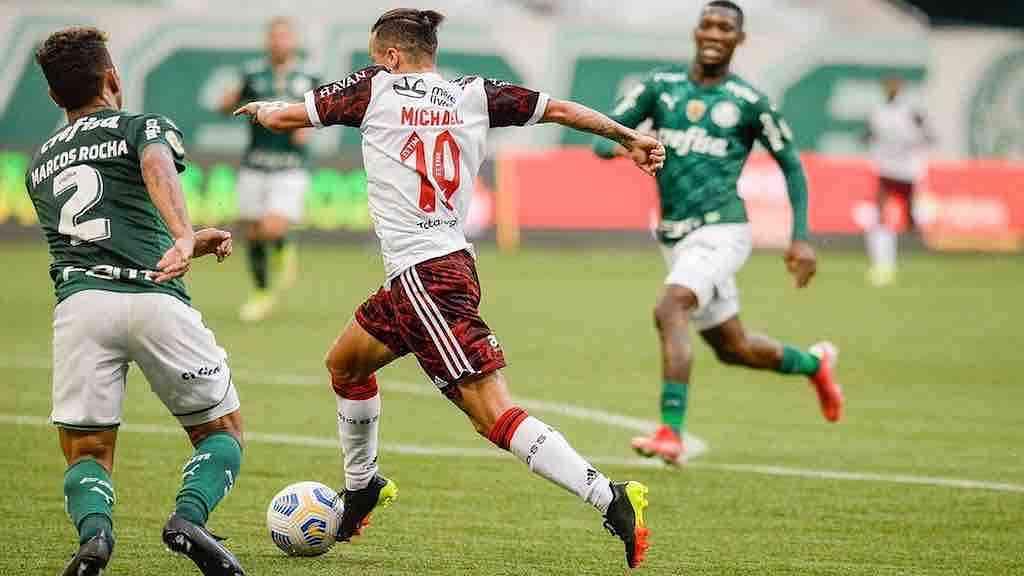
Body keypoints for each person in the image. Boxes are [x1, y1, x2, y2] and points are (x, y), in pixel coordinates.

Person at [235, 8, 665, 569]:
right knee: (347, 365)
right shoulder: (473, 93)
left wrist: (263, 109)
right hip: (434, 270)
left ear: (391, 57)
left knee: (492, 414)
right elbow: (560, 109)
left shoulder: (374, 88)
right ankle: (362, 486)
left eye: (376, 57)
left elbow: (285, 118)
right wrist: (627, 136)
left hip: (426, 279)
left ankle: (610, 497)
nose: (375, 65)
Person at [28, 27, 246, 576]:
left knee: (87, 451)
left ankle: (95, 538)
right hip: (154, 299)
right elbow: (154, 164)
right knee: (220, 432)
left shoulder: (40, 163)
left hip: (82, 308)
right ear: (113, 78)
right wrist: (183, 235)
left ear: (54, 95)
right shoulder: (141, 125)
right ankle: (189, 518)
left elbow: (105, 227)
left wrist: (190, 241)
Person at [593, 0, 844, 463]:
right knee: (734, 347)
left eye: (725, 28)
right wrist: (626, 146)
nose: (713, 33)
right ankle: (815, 363)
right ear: (696, 32)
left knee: (671, 307)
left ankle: (670, 433)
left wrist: (801, 237)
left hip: (723, 230)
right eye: (707, 24)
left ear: (738, 39)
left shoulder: (749, 102)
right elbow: (601, 141)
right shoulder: (659, 87)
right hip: (675, 236)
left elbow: (792, 164)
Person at [220, 17, 319, 322]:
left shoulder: (309, 76)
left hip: (289, 165)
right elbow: (226, 107)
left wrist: (307, 129)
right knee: (252, 231)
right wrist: (228, 100)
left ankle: (282, 245)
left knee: (272, 227)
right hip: (255, 162)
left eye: (284, 37)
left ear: (294, 41)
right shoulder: (252, 74)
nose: (279, 42)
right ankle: (261, 293)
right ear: (267, 42)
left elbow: (318, 113)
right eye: (274, 37)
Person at [864, 76, 933, 287]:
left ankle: (916, 255)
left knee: (910, 220)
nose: (892, 90)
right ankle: (884, 264)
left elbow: (929, 135)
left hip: (908, 172)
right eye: (889, 86)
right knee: (880, 215)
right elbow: (868, 135)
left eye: (895, 87)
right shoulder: (878, 112)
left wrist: (915, 144)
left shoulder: (911, 112)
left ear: (901, 89)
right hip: (887, 170)